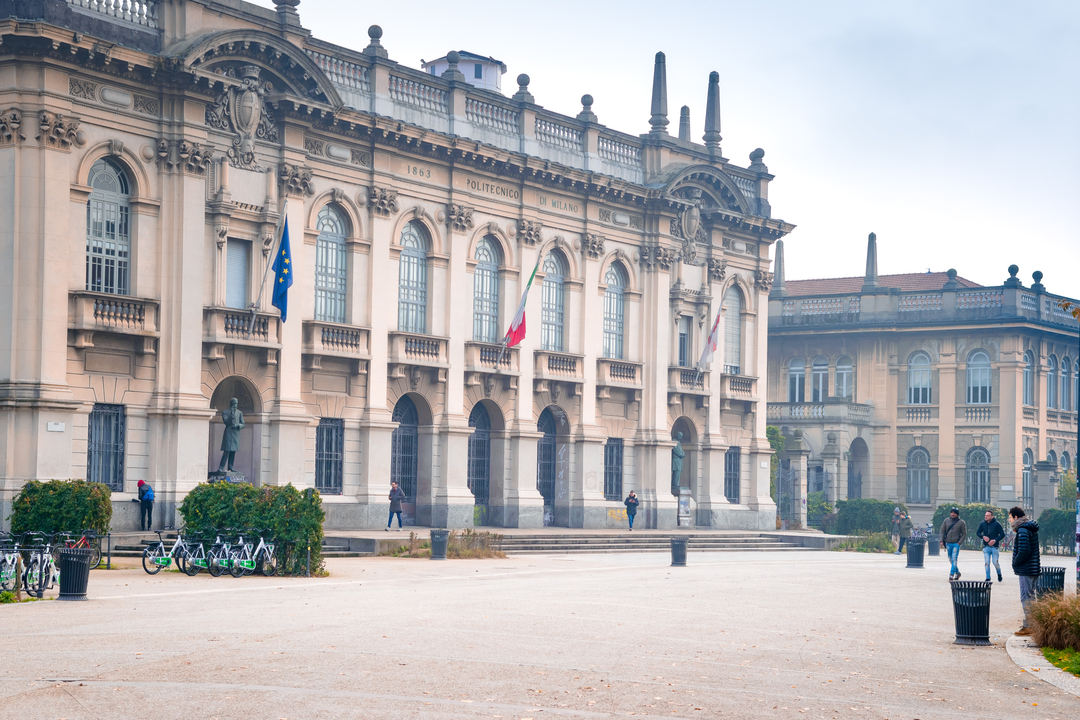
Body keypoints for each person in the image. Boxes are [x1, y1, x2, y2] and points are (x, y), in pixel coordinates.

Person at [1009, 506, 1040, 636]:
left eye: (1010, 518)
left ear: (1016, 517)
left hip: (1026, 569)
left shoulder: (1022, 530)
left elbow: (1024, 551)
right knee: (1031, 597)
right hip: (1032, 568)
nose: (1009, 521)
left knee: (1026, 597)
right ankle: (1033, 624)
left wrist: (1015, 562)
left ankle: (1029, 626)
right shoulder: (1029, 528)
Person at [976, 509, 1006, 582]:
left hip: (995, 547)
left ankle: (999, 573)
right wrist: (983, 537)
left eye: (988, 515)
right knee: (987, 562)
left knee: (995, 562)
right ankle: (988, 577)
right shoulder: (982, 524)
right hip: (986, 547)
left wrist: (995, 540)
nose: (986, 517)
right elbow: (978, 532)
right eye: (985, 515)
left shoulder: (997, 524)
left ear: (992, 516)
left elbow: (1002, 534)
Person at [940, 507, 967, 580]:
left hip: (956, 543)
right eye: (951, 512)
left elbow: (964, 534)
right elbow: (942, 531)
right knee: (950, 559)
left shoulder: (961, 522)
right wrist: (941, 540)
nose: (952, 514)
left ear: (957, 514)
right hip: (948, 543)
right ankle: (957, 572)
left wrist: (959, 542)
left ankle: (951, 574)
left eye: (954, 513)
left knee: (954, 558)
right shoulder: (946, 521)